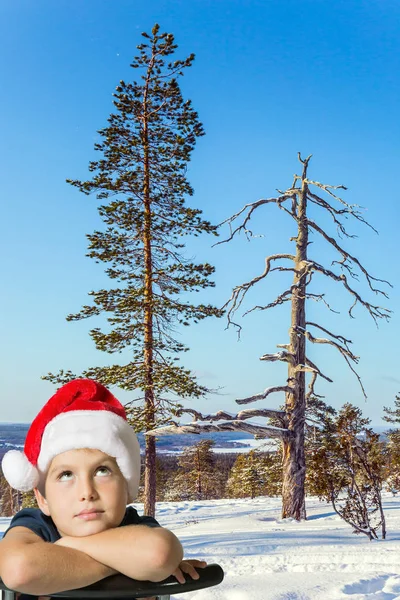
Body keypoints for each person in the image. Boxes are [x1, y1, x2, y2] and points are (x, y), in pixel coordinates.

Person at [0, 379, 206, 600]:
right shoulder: (35, 526)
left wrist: (67, 547)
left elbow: (158, 554)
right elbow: (18, 568)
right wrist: (126, 566)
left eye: (102, 471)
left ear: (127, 486)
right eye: (66, 475)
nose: (87, 492)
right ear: (43, 499)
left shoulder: (136, 527)